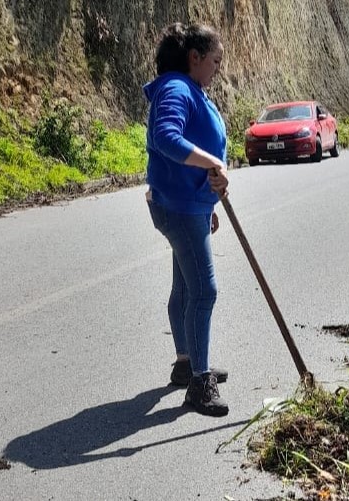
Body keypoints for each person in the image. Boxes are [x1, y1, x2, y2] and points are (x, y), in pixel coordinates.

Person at [144, 23, 231, 417]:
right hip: (179, 208)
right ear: (194, 58)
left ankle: (187, 362)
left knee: (184, 285)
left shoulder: (190, 88)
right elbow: (166, 137)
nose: (218, 69)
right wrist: (213, 162)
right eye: (214, 60)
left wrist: (208, 203)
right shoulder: (177, 88)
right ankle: (199, 381)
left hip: (190, 205)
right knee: (204, 291)